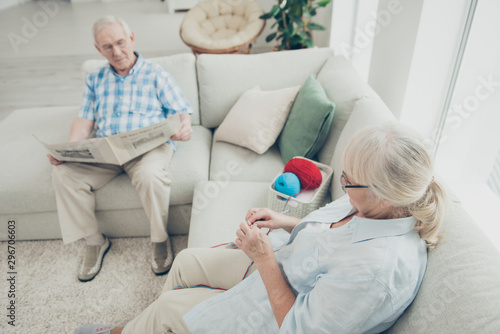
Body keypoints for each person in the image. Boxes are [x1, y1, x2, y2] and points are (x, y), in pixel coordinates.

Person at [75, 122, 447, 333]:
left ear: (383, 195)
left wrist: (264, 258)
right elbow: (338, 236)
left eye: (349, 180)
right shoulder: (374, 204)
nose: (344, 184)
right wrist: (287, 221)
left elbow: (297, 327)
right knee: (186, 261)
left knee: (171, 308)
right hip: (283, 266)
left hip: (274, 313)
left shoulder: (377, 273)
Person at [49, 15, 193, 282]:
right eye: (107, 47)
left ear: (132, 39)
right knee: (63, 174)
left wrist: (184, 126)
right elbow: (84, 120)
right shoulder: (95, 79)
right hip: (106, 150)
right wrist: (68, 149)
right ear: (98, 49)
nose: (116, 52)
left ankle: (160, 240)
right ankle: (95, 242)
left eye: (120, 43)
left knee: (151, 175)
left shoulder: (156, 73)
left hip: (148, 148)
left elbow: (181, 112)